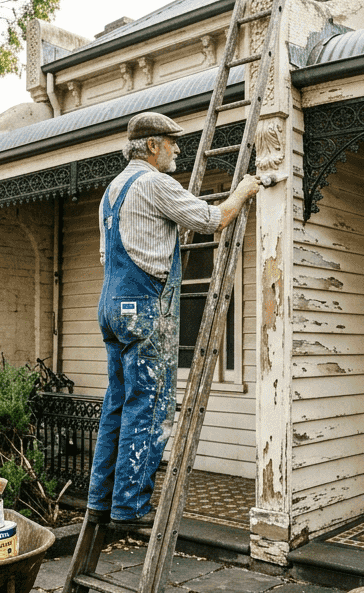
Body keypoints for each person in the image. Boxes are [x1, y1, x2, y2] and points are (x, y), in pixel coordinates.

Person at [88, 111, 261, 530]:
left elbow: (111, 252)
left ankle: (100, 499)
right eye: (171, 142)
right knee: (149, 406)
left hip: (111, 307)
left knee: (117, 403)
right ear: (151, 146)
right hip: (142, 308)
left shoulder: (111, 191)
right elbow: (211, 220)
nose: (178, 149)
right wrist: (243, 191)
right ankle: (129, 508)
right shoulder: (154, 183)